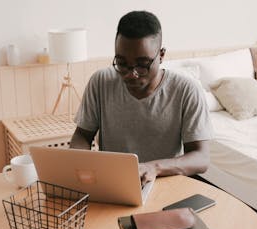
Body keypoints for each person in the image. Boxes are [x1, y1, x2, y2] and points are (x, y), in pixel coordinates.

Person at [70, 10, 213, 185]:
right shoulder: (101, 81)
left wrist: (154, 167)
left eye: (142, 65)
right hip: (112, 184)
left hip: (165, 185)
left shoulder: (186, 90)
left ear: (161, 55)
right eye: (122, 64)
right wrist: (80, 163)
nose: (132, 74)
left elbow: (201, 158)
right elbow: (83, 135)